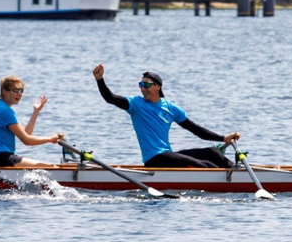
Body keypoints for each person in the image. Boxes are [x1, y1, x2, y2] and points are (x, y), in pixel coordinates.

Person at [92, 64, 239, 168]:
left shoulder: (170, 107)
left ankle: (240, 173)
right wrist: (100, 80)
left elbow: (196, 130)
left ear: (157, 86)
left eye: (147, 85)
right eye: (141, 85)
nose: (143, 89)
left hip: (167, 155)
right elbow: (110, 98)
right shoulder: (135, 104)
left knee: (212, 153)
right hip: (154, 159)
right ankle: (227, 181)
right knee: (204, 165)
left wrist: (222, 138)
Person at [0, 76, 65, 167]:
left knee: (47, 166)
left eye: (21, 91)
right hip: (0, 158)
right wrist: (50, 139)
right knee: (51, 167)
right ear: (4, 92)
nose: (19, 94)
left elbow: (26, 133)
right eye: (15, 91)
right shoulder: (5, 111)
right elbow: (27, 140)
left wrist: (36, 112)